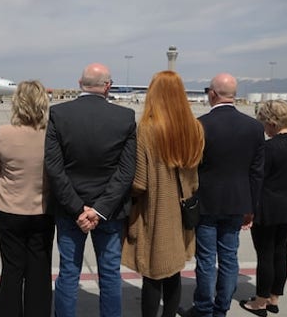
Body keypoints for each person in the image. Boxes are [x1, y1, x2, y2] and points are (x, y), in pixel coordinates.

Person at [45, 63, 137, 317]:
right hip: (110, 211)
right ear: (107, 86)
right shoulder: (125, 117)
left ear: (79, 83)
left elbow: (54, 168)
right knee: (109, 274)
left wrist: (78, 209)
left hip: (69, 210)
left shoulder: (59, 114)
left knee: (68, 272)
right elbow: (126, 171)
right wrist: (99, 210)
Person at [122, 71, 204, 317]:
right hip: (183, 211)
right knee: (173, 271)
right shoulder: (195, 127)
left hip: (156, 210)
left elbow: (140, 182)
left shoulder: (147, 128)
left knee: (153, 273)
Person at [182, 73, 265, 317]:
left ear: (213, 94)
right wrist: (252, 207)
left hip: (206, 203)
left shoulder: (200, 125)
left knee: (206, 260)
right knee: (229, 257)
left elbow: (189, 167)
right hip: (237, 202)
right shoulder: (254, 127)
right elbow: (257, 172)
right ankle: (222, 308)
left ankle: (204, 308)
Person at [0, 80, 54, 317]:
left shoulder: (3, 132)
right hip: (42, 210)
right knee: (39, 269)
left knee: (12, 268)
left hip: (9, 209)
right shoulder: (51, 134)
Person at [239, 100, 287, 317]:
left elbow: (257, 180)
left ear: (271, 123)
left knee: (265, 255)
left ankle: (259, 302)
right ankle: (274, 298)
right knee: (281, 252)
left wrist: (248, 210)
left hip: (268, 208)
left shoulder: (268, 148)